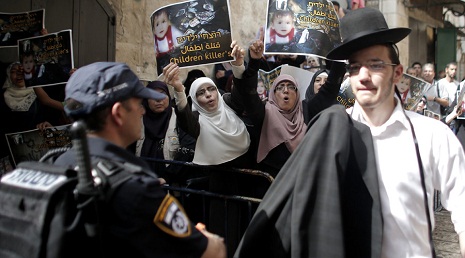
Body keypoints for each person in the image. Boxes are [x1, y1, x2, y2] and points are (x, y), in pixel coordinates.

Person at [325, 7, 465, 257]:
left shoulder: (433, 136)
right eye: (355, 67)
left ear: (397, 73)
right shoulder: (332, 134)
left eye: (375, 65)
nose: (363, 76)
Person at [53, 61, 226, 258]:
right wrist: (206, 238)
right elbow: (212, 253)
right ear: (118, 114)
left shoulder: (55, 165)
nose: (142, 111)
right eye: (138, 104)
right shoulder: (136, 187)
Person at [163, 59, 252, 257]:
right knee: (225, 232)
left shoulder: (228, 104)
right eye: (201, 94)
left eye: (210, 89)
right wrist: (178, 88)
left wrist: (238, 67)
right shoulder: (197, 119)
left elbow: (241, 94)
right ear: (195, 100)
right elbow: (186, 120)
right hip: (220, 187)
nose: (209, 96)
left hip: (247, 183)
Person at [230, 32, 345, 177]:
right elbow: (248, 93)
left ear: (297, 94)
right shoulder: (264, 113)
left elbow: (330, 88)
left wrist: (340, 51)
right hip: (272, 186)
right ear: (272, 93)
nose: (286, 90)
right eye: (280, 87)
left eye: (291, 87)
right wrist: (253, 61)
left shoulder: (307, 110)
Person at [133, 80, 197, 183]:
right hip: (143, 184)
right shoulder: (137, 122)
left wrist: (166, 178)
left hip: (172, 186)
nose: (158, 100)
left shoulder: (178, 119)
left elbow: (188, 148)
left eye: (162, 94)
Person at [151, 9, 185, 74]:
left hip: (174, 57)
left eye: (163, 21)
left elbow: (182, 39)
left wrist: (176, 45)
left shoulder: (172, 30)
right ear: (153, 30)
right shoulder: (155, 39)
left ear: (168, 22)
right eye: (157, 24)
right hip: (163, 61)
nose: (161, 27)